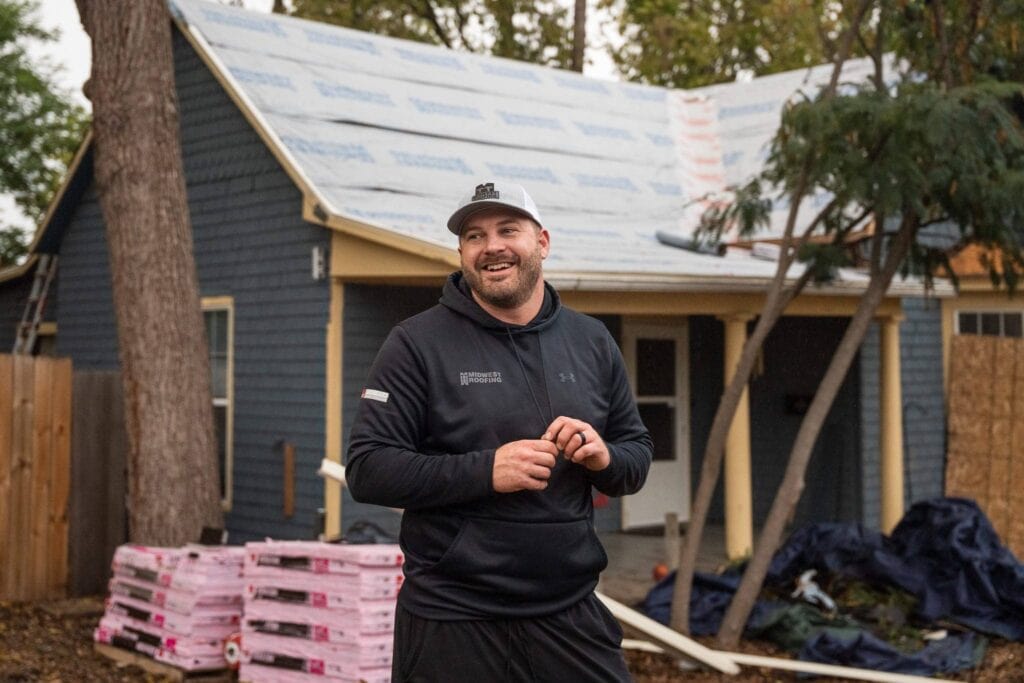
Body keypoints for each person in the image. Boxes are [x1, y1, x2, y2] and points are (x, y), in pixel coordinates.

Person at [346, 181, 653, 682]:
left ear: (542, 243)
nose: (492, 246)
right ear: (462, 253)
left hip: (569, 612)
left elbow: (635, 454)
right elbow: (368, 469)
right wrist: (488, 470)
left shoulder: (592, 341)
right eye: (474, 235)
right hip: (453, 617)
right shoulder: (416, 344)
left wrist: (605, 457)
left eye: (508, 230)